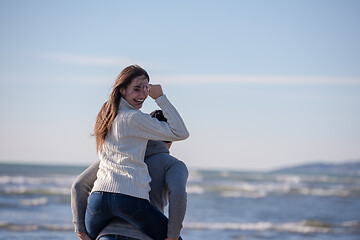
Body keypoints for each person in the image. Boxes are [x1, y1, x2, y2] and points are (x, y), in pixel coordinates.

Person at [84, 65, 189, 240]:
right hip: (128, 199)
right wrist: (160, 97)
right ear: (122, 89)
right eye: (136, 89)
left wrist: (79, 229)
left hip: (98, 201)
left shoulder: (105, 116)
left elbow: (78, 186)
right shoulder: (134, 118)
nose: (142, 95)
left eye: (145, 90)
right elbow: (181, 132)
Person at [71, 126, 188, 240]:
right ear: (171, 138)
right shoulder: (173, 164)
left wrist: (80, 229)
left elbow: (79, 185)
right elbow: (178, 194)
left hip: (106, 235)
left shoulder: (116, 158)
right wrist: (173, 234)